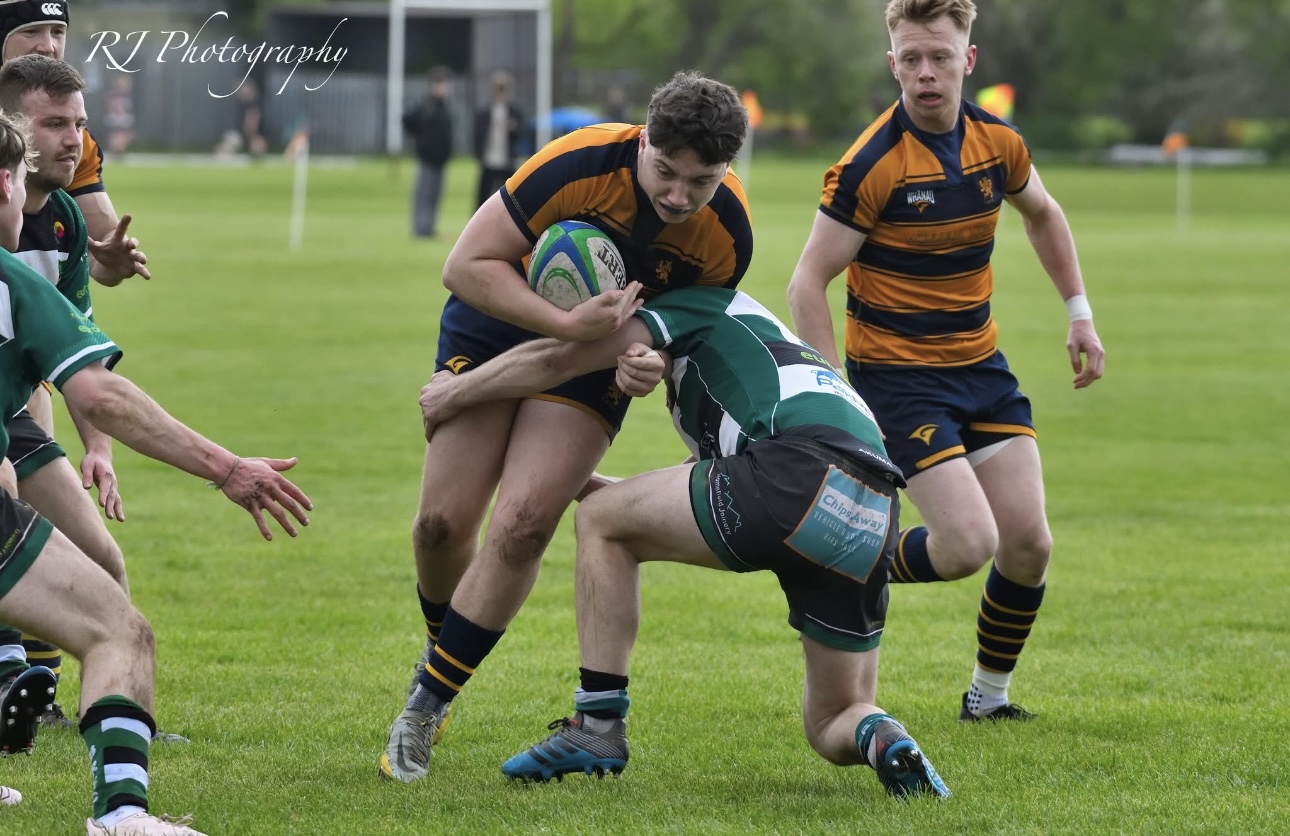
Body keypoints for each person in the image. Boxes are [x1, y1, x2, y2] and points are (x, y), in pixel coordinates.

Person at [415, 284, 951, 799]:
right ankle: (884, 738)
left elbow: (558, 360)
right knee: (833, 718)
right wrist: (553, 478)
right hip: (872, 504)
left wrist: (455, 392)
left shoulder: (696, 304)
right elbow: (662, 499)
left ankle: (597, 725)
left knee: (601, 522)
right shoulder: (755, 356)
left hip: (795, 469)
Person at [379, 70, 752, 782]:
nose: (679, 195)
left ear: (726, 170)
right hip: (499, 321)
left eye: (700, 182)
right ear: (643, 142)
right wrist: (561, 322)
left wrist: (647, 364)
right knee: (440, 526)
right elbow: (465, 265)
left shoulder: (727, 234)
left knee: (524, 523)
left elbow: (676, 337)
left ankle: (425, 704)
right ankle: (444, 644)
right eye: (666, 172)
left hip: (598, 355)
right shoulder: (579, 161)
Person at [786, 0, 1105, 722]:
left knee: (1028, 543)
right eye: (910, 59)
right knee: (966, 546)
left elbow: (1044, 213)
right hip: (897, 382)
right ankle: (841, 558)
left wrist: (1080, 313)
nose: (925, 73)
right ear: (891, 64)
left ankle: (987, 700)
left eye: (939, 57)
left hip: (981, 370)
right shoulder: (871, 163)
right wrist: (835, 396)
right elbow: (807, 283)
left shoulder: (999, 142)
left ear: (969, 59)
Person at [0, 108, 311, 835]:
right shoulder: (11, 282)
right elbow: (101, 394)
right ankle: (123, 816)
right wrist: (226, 468)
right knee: (119, 631)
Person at [0, 54, 152, 737]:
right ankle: (9, 677)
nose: (74, 141)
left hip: (15, 414)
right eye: (55, 124)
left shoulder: (64, 220)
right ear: (13, 129)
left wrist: (99, 449)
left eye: (80, 125)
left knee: (104, 558)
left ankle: (104, 704)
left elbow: (79, 358)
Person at [0, 0, 135, 250]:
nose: (48, 46)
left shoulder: (72, 138)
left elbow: (101, 243)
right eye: (31, 31)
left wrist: (113, 257)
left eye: (57, 32)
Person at [402, 66, 454, 238]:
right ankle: (420, 228)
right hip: (427, 159)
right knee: (424, 194)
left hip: (440, 160)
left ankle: (429, 227)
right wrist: (420, 141)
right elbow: (407, 120)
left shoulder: (443, 108)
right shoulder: (426, 106)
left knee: (435, 195)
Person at [471, 70, 525, 209]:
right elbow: (477, 134)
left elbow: (522, 131)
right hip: (489, 159)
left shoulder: (514, 111)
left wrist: (513, 128)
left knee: (510, 200)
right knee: (483, 197)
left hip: (507, 161)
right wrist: (478, 154)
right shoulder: (485, 111)